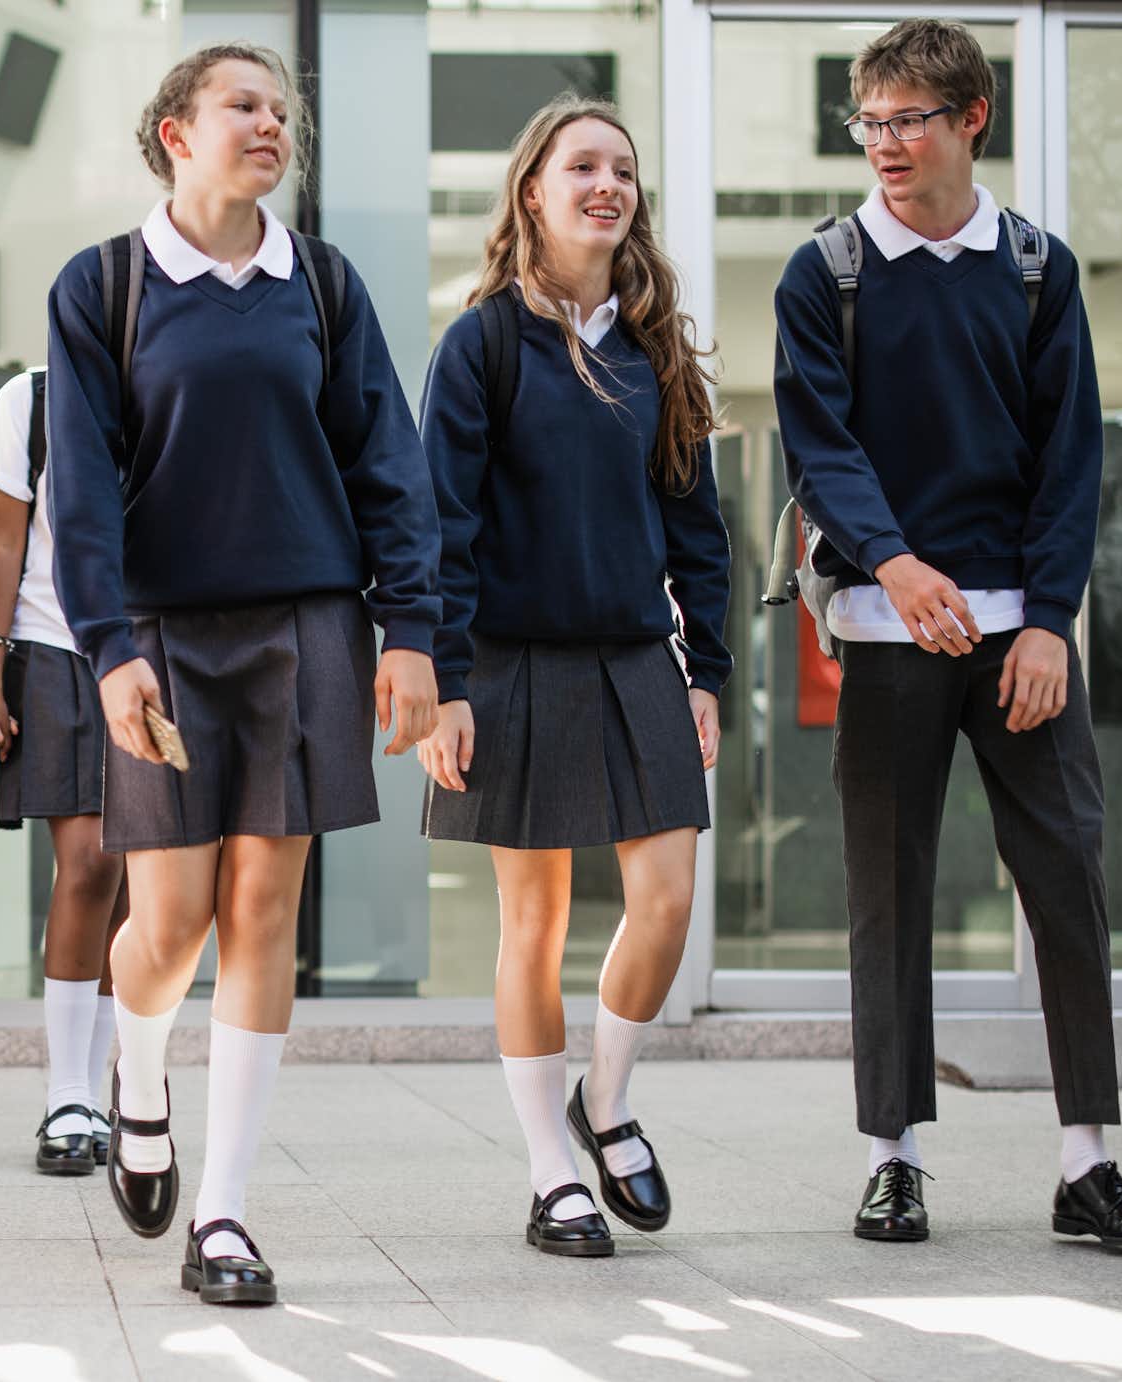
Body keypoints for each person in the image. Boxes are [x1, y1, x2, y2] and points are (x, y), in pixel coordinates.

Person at [774, 18, 1122, 1247]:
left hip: (1019, 638)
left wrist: (1050, 619)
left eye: (910, 119)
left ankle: (1085, 1161)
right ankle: (890, 1153)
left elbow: (1071, 461)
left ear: (971, 120)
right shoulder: (827, 269)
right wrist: (892, 567)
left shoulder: (1036, 271)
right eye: (871, 122)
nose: (886, 145)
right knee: (886, 893)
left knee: (1068, 883)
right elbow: (819, 445)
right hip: (888, 627)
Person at [47, 44, 442, 1304]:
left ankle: (222, 1212)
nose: (271, 124)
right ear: (174, 132)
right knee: (165, 928)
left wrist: (415, 631)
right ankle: (139, 1073)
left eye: (283, 110)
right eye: (243, 106)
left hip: (307, 625)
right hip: (160, 634)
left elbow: (389, 462)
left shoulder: (318, 283)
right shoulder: (103, 285)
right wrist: (107, 649)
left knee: (264, 909)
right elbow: (81, 486)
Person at [417, 97, 731, 1258]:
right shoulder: (482, 344)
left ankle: (603, 1098)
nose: (608, 184)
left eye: (623, 170)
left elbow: (698, 524)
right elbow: (438, 524)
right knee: (533, 920)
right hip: (507, 664)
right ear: (531, 190)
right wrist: (443, 679)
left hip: (636, 659)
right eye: (582, 165)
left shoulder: (653, 348)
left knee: (664, 902)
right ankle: (550, 1170)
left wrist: (708, 668)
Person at [0, 365, 124, 1174]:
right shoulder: (34, 398)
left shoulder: (184, 379)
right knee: (89, 862)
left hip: (164, 649)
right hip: (56, 649)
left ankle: (119, 1083)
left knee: (146, 881)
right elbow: (5, 541)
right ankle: (66, 1093)